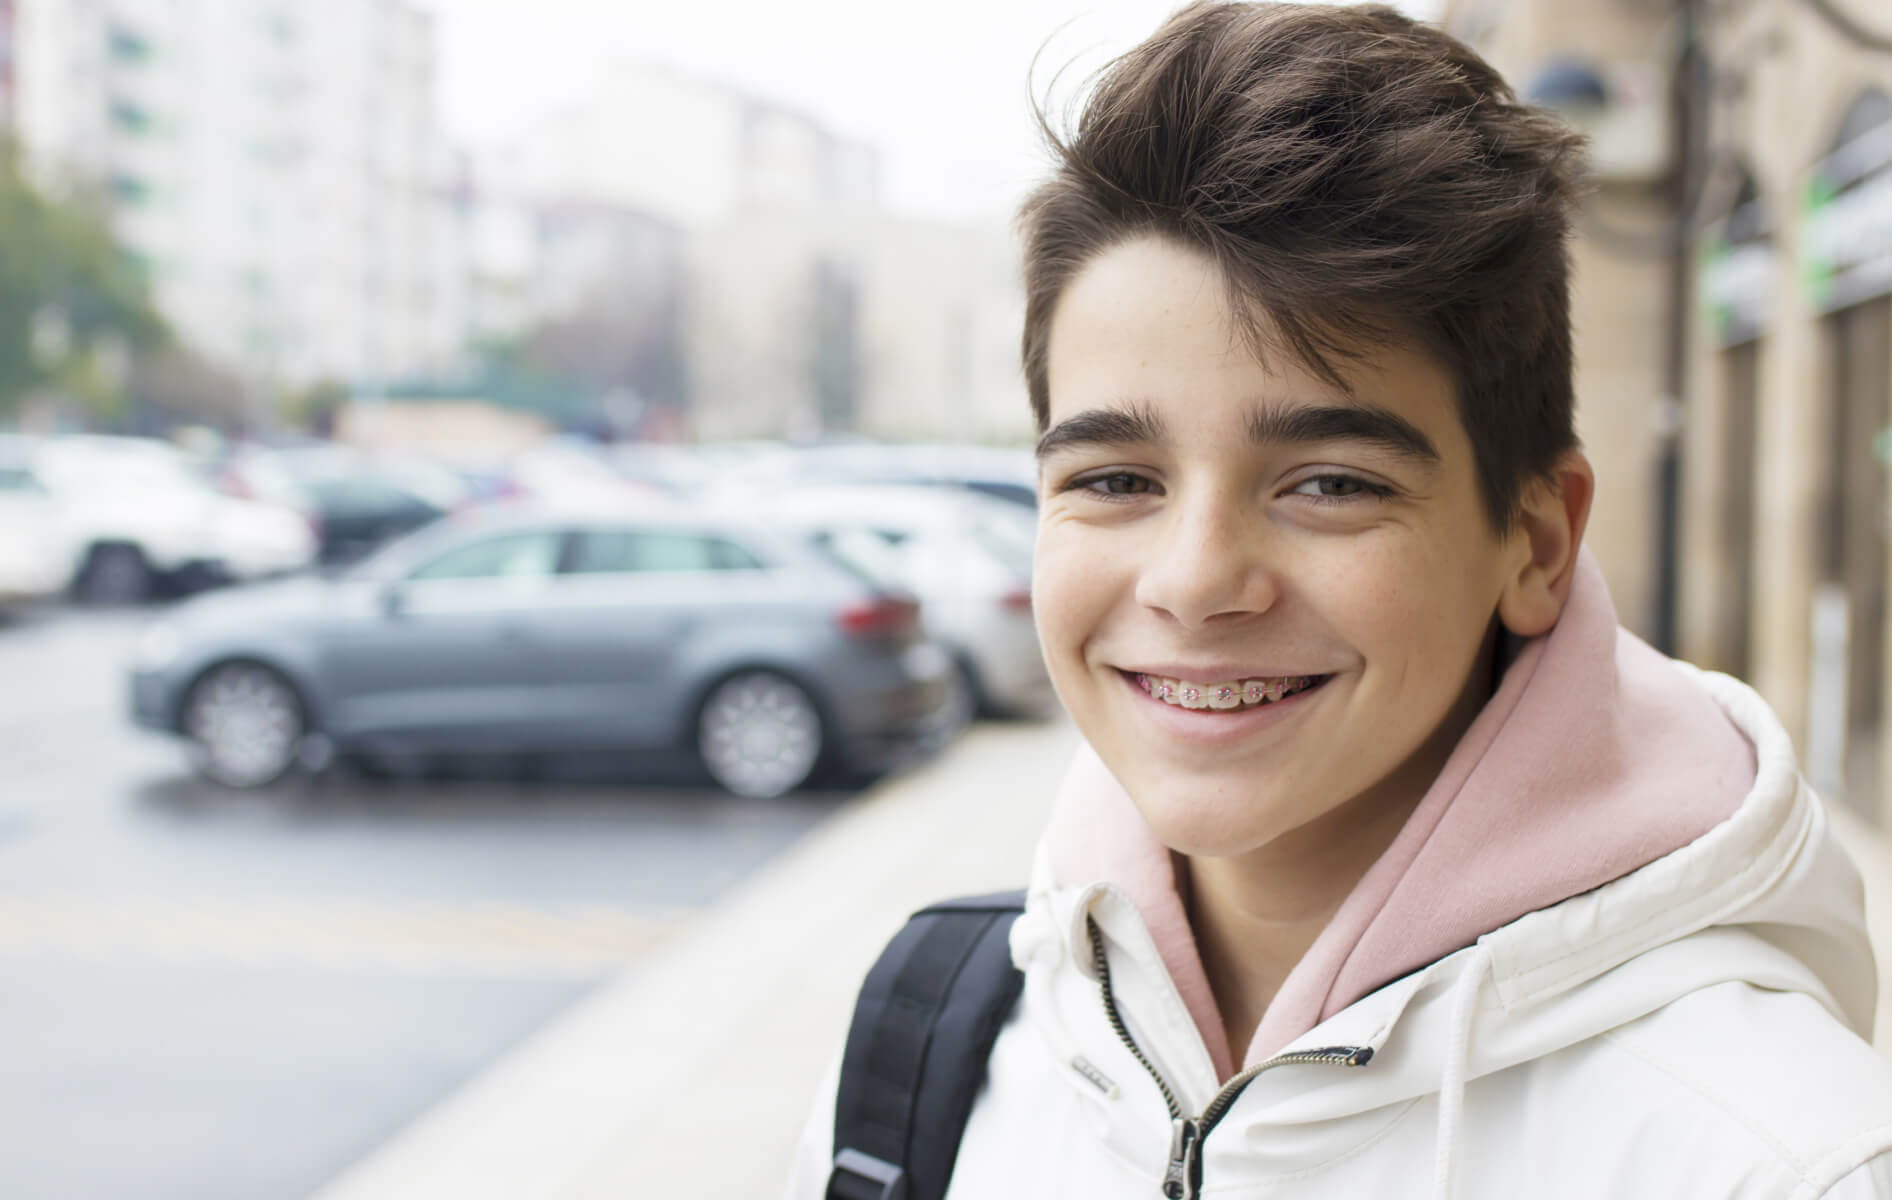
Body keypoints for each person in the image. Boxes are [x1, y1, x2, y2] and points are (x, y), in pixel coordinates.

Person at [788, 3, 1892, 1196]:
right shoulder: (929, 1055)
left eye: (1327, 483)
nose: (1196, 580)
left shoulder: (1781, 1159)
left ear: (1532, 542)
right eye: (1114, 479)